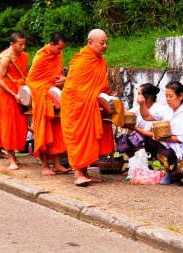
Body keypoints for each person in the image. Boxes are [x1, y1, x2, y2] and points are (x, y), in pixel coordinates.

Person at [60, 29, 114, 186]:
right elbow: (72, 88)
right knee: (78, 137)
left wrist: (106, 93)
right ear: (90, 43)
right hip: (76, 106)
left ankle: (85, 173)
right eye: (101, 43)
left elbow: (98, 84)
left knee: (89, 140)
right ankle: (78, 175)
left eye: (106, 42)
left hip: (89, 104)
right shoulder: (82, 60)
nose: (105, 46)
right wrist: (89, 98)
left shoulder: (100, 61)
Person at [138, 81, 183, 185]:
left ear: (180, 96)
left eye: (171, 96)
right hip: (172, 149)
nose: (168, 99)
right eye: (166, 96)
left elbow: (181, 139)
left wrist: (162, 138)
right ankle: (178, 172)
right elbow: (146, 116)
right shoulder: (166, 109)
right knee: (164, 154)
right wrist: (142, 104)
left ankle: (175, 171)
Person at [26, 32, 70, 176]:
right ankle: (45, 165)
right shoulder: (41, 56)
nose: (61, 52)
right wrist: (44, 91)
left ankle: (57, 164)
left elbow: (56, 74)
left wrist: (63, 80)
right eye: (59, 48)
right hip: (41, 94)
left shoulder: (57, 54)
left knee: (57, 128)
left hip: (54, 91)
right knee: (44, 129)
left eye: (62, 49)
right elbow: (31, 79)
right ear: (51, 44)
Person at [0, 32, 28, 170]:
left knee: (20, 124)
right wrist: (13, 94)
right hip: (8, 95)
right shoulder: (5, 59)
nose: (23, 47)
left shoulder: (24, 56)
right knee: (9, 125)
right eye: (20, 44)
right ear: (12, 44)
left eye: (25, 43)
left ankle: (14, 154)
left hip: (20, 93)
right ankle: (10, 158)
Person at [127, 83, 162, 157]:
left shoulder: (158, 109)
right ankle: (133, 160)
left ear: (148, 98)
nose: (138, 97)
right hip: (140, 139)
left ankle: (144, 160)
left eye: (139, 94)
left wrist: (134, 128)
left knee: (136, 138)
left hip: (154, 144)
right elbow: (127, 115)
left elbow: (153, 135)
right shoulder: (138, 107)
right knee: (123, 138)